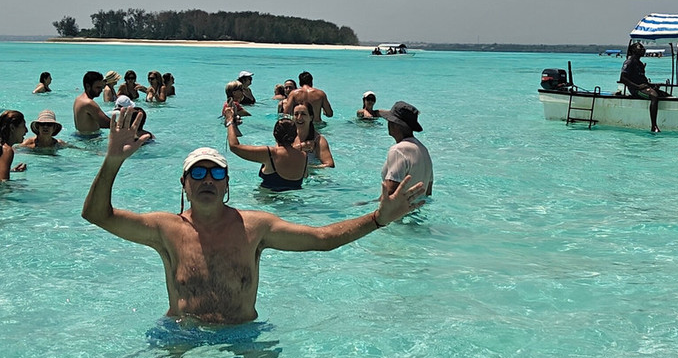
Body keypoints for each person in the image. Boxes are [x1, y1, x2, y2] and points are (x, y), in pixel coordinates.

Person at [81, 110, 426, 325]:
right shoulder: (165, 229)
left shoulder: (255, 227)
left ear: (227, 184)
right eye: (197, 174)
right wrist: (112, 160)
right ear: (184, 185)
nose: (207, 181)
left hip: (244, 335)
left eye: (216, 174)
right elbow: (97, 215)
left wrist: (379, 218)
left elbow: (323, 240)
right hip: (181, 334)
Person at [225, 111, 308, 191]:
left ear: (274, 134)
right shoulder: (303, 156)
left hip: (268, 201)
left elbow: (234, 146)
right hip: (295, 202)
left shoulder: (270, 153)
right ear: (295, 135)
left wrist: (230, 121)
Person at [379, 101, 433, 197]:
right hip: (417, 210)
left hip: (399, 211)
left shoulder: (398, 150)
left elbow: (390, 194)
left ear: (395, 124)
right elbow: (428, 192)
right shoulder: (424, 150)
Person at [619, 41, 664, 133]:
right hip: (635, 89)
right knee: (654, 96)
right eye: (640, 48)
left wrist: (653, 85)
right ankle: (654, 125)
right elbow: (623, 78)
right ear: (634, 50)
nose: (643, 50)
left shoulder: (640, 64)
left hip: (643, 88)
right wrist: (637, 87)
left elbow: (643, 80)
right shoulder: (629, 62)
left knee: (665, 94)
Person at [291, 103, 335, 168]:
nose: (299, 118)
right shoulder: (287, 136)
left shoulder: (319, 140)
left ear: (311, 117)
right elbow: (276, 156)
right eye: (296, 114)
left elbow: (329, 165)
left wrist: (304, 168)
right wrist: (299, 148)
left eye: (303, 114)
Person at [74, 71, 112, 135]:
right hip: (90, 140)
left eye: (101, 87)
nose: (101, 90)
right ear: (88, 86)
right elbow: (106, 123)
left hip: (81, 136)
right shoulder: (88, 103)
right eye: (98, 87)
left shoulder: (78, 99)